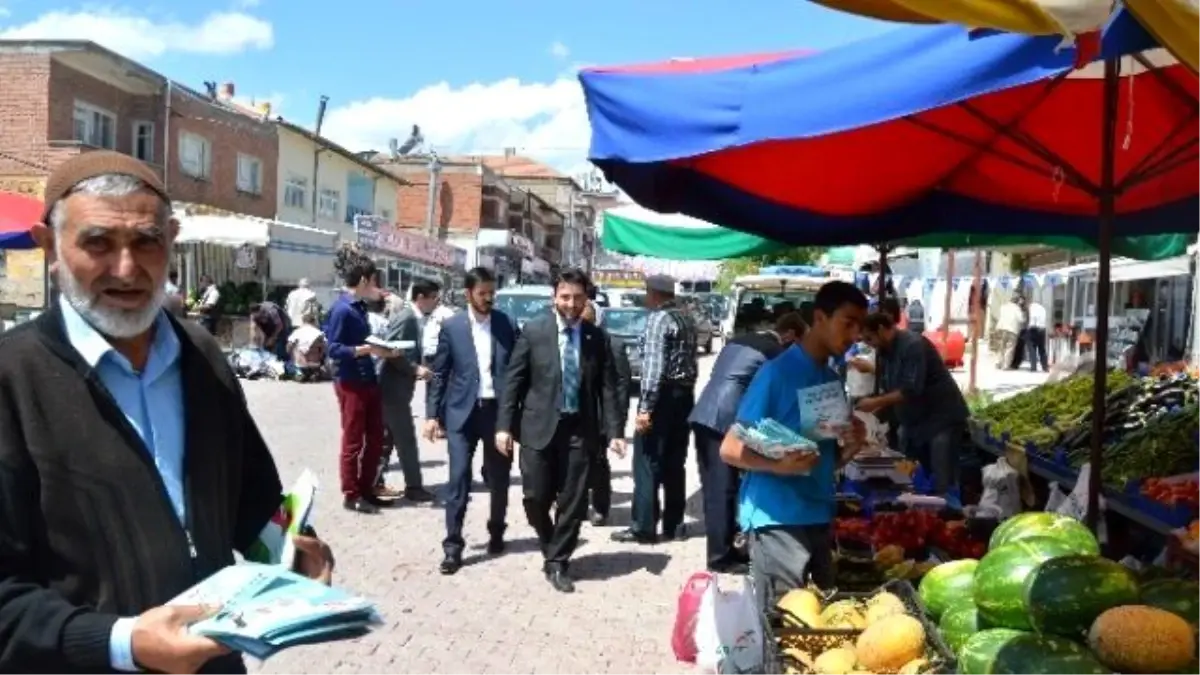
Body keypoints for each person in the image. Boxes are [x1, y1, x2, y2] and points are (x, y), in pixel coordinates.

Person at [0, 151, 333, 674]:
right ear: (50, 248)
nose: (127, 269)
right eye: (98, 243)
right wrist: (123, 642)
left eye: (146, 241)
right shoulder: (11, 379)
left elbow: (251, 500)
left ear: (171, 240)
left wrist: (291, 547)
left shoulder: (200, 356)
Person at [719, 281, 867, 610]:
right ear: (819, 317)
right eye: (848, 322)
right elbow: (729, 448)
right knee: (783, 625)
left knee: (820, 621)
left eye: (860, 326)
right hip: (777, 521)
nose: (856, 334)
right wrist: (777, 465)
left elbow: (820, 460)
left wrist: (850, 450)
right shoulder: (776, 374)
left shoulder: (830, 379)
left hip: (818, 514)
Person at [497, 269, 625, 592]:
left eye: (578, 298)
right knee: (535, 496)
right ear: (554, 297)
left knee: (574, 500)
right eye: (565, 297)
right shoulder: (534, 331)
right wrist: (504, 427)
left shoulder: (597, 339)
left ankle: (557, 561)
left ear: (586, 299)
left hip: (580, 430)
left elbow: (607, 389)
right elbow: (514, 381)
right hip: (537, 427)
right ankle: (550, 542)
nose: (571, 304)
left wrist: (616, 432)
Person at [689, 312, 807, 574]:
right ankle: (720, 557)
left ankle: (727, 547)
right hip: (724, 420)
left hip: (704, 413)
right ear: (789, 335)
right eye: (797, 344)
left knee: (714, 488)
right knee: (723, 490)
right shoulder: (775, 351)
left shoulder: (739, 340)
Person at [424, 267, 517, 575]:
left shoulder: (506, 324)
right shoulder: (452, 326)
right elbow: (440, 373)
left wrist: (514, 417)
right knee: (458, 477)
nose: (489, 298)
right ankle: (452, 546)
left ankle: (496, 531)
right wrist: (431, 415)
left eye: (492, 293)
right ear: (468, 294)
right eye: (482, 293)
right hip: (461, 415)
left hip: (496, 414)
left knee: (498, 477)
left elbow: (516, 373)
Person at [612, 274, 699, 545]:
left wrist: (645, 408)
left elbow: (653, 368)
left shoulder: (659, 319)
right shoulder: (686, 318)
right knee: (675, 463)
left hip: (661, 398)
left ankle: (644, 526)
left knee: (647, 462)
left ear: (653, 294)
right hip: (684, 397)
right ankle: (674, 524)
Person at [858, 312, 970, 494]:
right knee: (910, 474)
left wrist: (876, 402)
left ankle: (950, 511)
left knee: (941, 476)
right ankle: (919, 503)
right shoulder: (885, 352)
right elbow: (891, 388)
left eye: (870, 339)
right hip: (914, 422)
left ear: (881, 329)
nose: (870, 345)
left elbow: (910, 390)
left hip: (941, 418)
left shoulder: (912, 345)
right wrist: (874, 413)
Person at [326, 251, 398, 515]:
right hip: (350, 381)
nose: (377, 287)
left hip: (368, 379)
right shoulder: (342, 309)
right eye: (374, 281)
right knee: (353, 440)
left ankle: (367, 488)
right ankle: (351, 493)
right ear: (365, 280)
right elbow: (333, 349)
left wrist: (381, 350)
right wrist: (363, 350)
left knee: (376, 437)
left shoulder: (358, 307)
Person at [378, 278, 440, 503]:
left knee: (387, 439)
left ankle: (374, 481)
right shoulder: (406, 317)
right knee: (406, 440)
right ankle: (414, 487)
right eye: (434, 298)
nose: (436, 303)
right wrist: (415, 369)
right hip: (393, 390)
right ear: (421, 298)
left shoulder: (414, 318)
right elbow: (390, 349)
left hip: (395, 389)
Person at [581, 300, 631, 526]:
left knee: (598, 464)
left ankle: (601, 508)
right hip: (576, 415)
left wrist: (617, 424)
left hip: (601, 418)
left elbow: (621, 386)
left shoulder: (612, 344)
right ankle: (577, 505)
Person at [287, 300, 327, 382]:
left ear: (303, 321)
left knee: (288, 364)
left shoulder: (297, 332)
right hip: (316, 362)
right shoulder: (319, 333)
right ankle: (314, 373)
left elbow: (289, 346)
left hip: (301, 362)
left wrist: (291, 355)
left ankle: (299, 373)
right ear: (314, 322)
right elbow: (325, 347)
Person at [995, 295, 1025, 370]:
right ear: (1017, 301)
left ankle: (999, 362)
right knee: (1010, 348)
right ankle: (1005, 365)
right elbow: (1021, 320)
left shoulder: (1003, 306)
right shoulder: (1017, 308)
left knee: (1001, 346)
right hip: (1012, 330)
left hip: (1002, 328)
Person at [1025, 297, 1049, 372]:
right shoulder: (1043, 308)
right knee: (1042, 349)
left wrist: (1028, 327)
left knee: (1032, 348)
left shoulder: (1031, 307)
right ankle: (1045, 367)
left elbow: (1032, 318)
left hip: (1033, 328)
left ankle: (1033, 367)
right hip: (1042, 329)